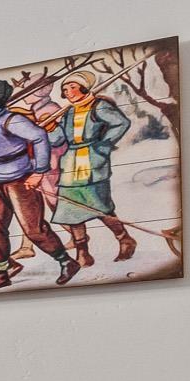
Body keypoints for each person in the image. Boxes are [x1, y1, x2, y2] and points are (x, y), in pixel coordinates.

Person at [0, 78, 77, 291]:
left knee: (33, 230)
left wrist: (39, 171)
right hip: (0, 179)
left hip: (21, 179)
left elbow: (40, 137)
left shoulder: (12, 120)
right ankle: (1, 274)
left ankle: (66, 262)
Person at [45, 76, 138, 264]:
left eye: (72, 87)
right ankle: (83, 253)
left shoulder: (99, 106)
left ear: (83, 88)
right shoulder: (69, 112)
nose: (68, 93)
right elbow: (58, 140)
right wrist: (51, 128)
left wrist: (102, 145)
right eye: (65, 90)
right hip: (70, 165)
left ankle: (124, 238)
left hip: (93, 162)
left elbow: (121, 123)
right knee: (71, 210)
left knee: (101, 207)